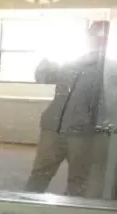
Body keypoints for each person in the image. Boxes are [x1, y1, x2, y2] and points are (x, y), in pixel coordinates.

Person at [25, 20, 110, 197]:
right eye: (93, 33)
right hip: (52, 129)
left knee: (78, 179)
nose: (97, 38)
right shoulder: (72, 62)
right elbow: (43, 77)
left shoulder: (109, 68)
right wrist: (46, 56)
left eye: (102, 34)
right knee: (40, 173)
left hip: (82, 133)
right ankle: (26, 207)